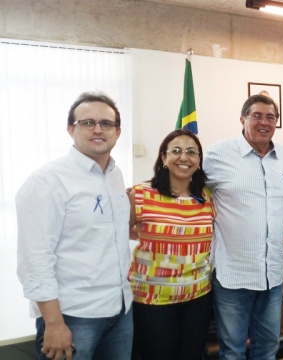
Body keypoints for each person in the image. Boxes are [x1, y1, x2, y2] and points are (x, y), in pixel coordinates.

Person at [16, 92, 133, 360]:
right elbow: (35, 260)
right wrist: (54, 324)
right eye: (88, 122)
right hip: (73, 316)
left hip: (120, 310)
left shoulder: (115, 174)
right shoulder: (47, 181)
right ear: (71, 129)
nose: (98, 129)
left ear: (118, 131)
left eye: (106, 123)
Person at [202, 94, 283, 360]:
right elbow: (186, 185)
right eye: (257, 115)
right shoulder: (217, 154)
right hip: (234, 276)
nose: (264, 122)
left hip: (272, 276)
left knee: (268, 348)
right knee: (232, 351)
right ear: (242, 119)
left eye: (271, 117)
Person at [129, 129, 216, 360]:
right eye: (176, 151)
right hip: (153, 298)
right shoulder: (140, 194)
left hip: (197, 295)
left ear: (199, 160)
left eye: (191, 152)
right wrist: (152, 236)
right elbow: (119, 233)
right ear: (164, 158)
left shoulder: (206, 197)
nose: (184, 157)